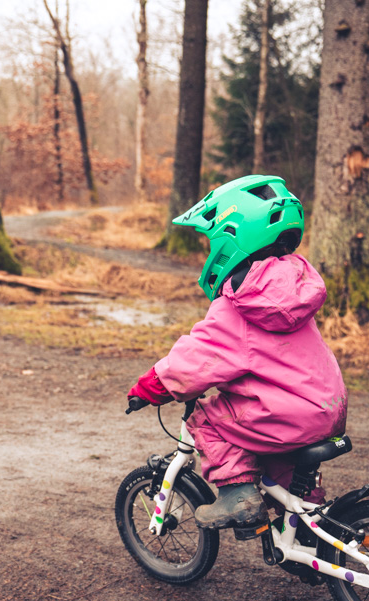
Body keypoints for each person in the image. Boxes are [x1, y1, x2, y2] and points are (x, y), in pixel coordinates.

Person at [128, 175, 347, 530]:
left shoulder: (238, 306)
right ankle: (310, 527)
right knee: (283, 473)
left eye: (210, 242)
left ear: (231, 239)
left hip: (290, 415)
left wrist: (150, 387)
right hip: (326, 406)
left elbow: (196, 360)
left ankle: (237, 496)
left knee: (208, 419)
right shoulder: (291, 289)